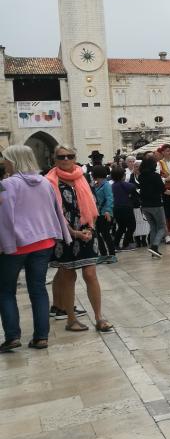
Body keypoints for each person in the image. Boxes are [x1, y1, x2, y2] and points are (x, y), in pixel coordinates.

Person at [0, 145, 70, 351]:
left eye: (6, 158)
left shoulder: (7, 184)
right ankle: (41, 337)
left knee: (5, 290)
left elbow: (4, 217)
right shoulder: (45, 182)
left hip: (17, 245)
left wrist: (5, 244)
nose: (4, 162)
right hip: (44, 242)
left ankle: (12, 336)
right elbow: (55, 210)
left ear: (14, 160)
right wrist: (62, 235)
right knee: (38, 289)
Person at [47, 145, 114, 333]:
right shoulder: (49, 182)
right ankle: (71, 319)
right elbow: (51, 212)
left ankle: (99, 317)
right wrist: (72, 232)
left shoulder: (83, 177)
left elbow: (92, 205)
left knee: (90, 274)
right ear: (55, 159)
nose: (66, 160)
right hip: (64, 234)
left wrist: (90, 228)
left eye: (70, 156)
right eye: (61, 157)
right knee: (68, 276)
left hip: (87, 231)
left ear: (75, 158)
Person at [138, 155, 167, 258]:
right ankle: (154, 247)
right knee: (162, 227)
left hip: (145, 206)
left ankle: (153, 251)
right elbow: (162, 189)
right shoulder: (155, 176)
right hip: (156, 204)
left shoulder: (141, 176)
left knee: (153, 227)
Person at [90, 165, 117, 264]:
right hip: (97, 213)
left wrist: (108, 211)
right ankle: (103, 254)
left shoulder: (106, 185)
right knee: (98, 234)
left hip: (105, 213)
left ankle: (112, 255)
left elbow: (110, 198)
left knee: (106, 234)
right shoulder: (96, 185)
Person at [110, 166, 138, 251]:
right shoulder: (124, 184)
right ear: (122, 176)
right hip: (126, 207)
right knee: (132, 226)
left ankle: (115, 245)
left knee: (121, 227)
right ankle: (125, 244)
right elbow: (133, 188)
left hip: (116, 208)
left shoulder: (112, 185)